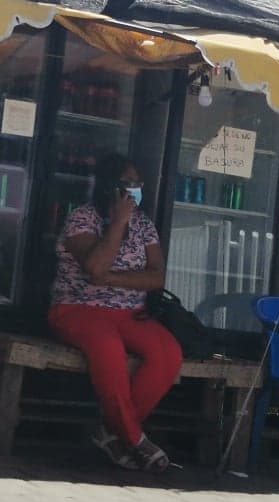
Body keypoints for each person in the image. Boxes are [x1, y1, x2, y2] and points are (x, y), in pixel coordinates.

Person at [47, 151, 181, 474]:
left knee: (168, 354)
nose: (134, 189)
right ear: (109, 186)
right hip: (78, 308)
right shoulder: (83, 218)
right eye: (127, 183)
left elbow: (156, 277)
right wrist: (118, 221)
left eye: (138, 184)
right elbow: (94, 266)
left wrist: (111, 279)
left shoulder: (145, 225)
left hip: (128, 312)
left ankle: (110, 430)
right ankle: (135, 439)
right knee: (108, 349)